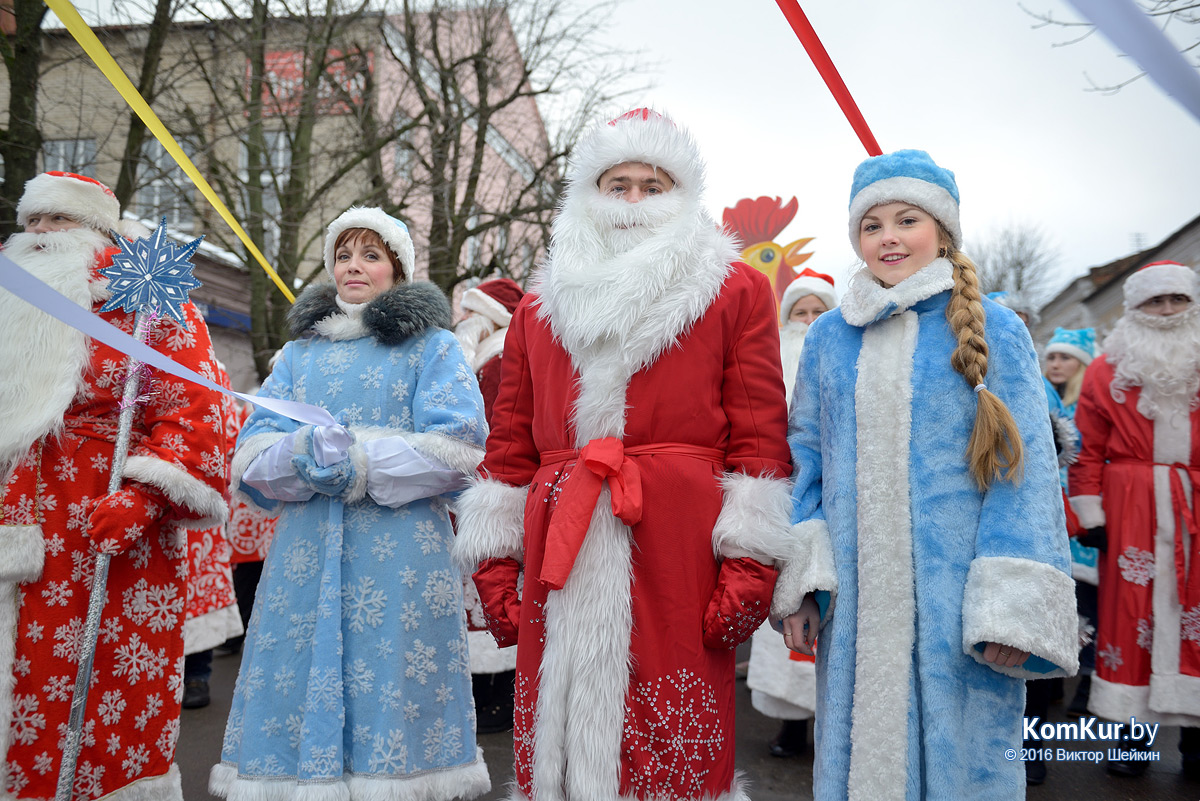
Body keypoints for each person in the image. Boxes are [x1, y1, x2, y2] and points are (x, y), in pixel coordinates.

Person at [451, 108, 795, 800]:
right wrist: (493, 563)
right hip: (562, 539)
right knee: (561, 737)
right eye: (618, 183)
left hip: (677, 539)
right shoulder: (537, 308)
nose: (634, 199)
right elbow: (510, 445)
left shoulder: (734, 289)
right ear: (589, 192)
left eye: (653, 183)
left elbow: (759, 436)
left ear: (683, 193)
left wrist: (751, 558)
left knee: (672, 739)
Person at [779, 150, 1078, 798]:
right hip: (855, 606)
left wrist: (1011, 608)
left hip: (960, 603)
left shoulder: (995, 328)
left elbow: (1022, 476)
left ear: (942, 229)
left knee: (962, 764)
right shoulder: (830, 337)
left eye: (906, 219)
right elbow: (805, 455)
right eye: (872, 224)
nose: (887, 236)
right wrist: (804, 577)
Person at [211, 207, 491, 799]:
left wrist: (360, 462)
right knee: (298, 670)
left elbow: (459, 450)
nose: (354, 266)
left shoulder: (432, 348)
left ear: (396, 268)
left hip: (400, 554)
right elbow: (252, 454)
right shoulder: (297, 355)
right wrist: (304, 454)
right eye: (344, 254)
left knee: (390, 677)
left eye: (371, 254)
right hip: (305, 554)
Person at [0, 171, 229, 799]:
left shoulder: (147, 296)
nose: (40, 234)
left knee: (95, 685)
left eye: (57, 220)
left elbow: (196, 405)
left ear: (97, 232)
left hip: (103, 525)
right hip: (11, 515)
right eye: (31, 221)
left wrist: (148, 493)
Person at [1068, 260, 1200, 779]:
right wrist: (1090, 512)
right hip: (1131, 505)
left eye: (1177, 300)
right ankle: (1131, 738)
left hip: (1195, 502)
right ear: (1134, 308)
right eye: (1154, 301)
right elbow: (1084, 451)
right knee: (1130, 615)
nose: (1166, 311)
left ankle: (1195, 741)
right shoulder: (1105, 371)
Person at [744, 268, 836, 759]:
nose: (808, 321)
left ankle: (832, 722)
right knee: (783, 602)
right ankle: (791, 724)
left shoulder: (839, 356)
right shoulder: (771, 358)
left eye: (818, 310)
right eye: (799, 312)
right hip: (780, 493)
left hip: (833, 498)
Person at [452, 277, 525, 734]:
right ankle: (490, 693)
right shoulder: (484, 354)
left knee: (491, 582)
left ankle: (498, 696)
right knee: (481, 586)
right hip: (478, 485)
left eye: (471, 311)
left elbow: (493, 425)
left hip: (490, 485)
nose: (463, 320)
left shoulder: (497, 355)